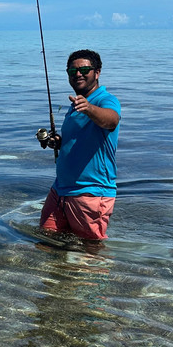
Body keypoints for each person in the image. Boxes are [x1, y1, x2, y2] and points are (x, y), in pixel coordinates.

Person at [37, 49, 121, 240]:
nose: (78, 74)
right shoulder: (76, 103)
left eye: (85, 70)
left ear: (97, 72)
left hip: (90, 192)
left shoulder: (105, 100)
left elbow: (111, 121)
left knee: (90, 251)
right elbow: (78, 139)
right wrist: (57, 142)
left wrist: (90, 108)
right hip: (60, 190)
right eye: (72, 71)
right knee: (46, 240)